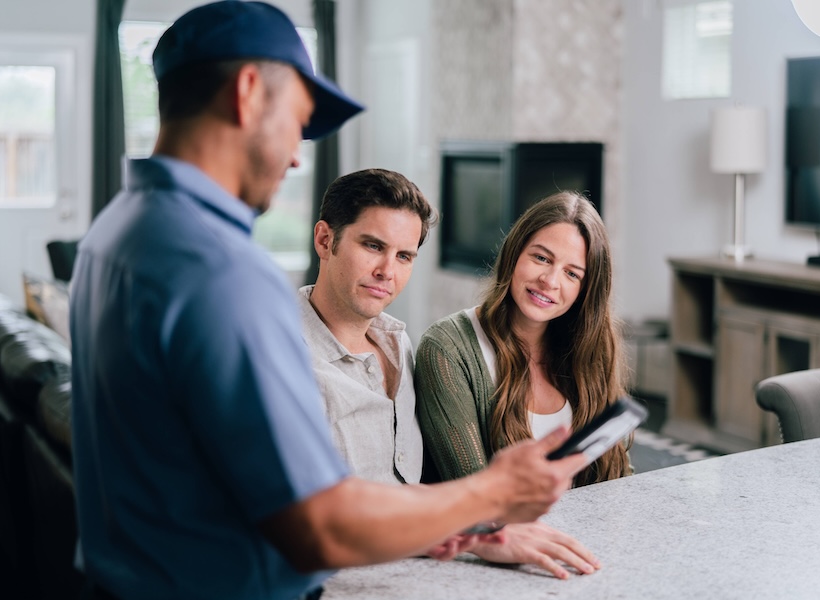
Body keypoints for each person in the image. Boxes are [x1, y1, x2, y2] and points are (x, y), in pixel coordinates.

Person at [68, 3, 589, 599]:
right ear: (246, 92)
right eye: (296, 123)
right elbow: (318, 522)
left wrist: (459, 523)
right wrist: (493, 494)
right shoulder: (219, 269)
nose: (295, 156)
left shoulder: (116, 232)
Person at [299, 169, 602, 579]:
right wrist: (477, 529)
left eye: (404, 256)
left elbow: (403, 489)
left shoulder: (398, 346)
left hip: (416, 566)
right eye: (373, 246)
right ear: (324, 240)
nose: (387, 271)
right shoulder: (284, 360)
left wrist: (470, 531)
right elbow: (312, 520)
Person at [415, 191, 632, 490]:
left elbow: (618, 476)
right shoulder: (447, 348)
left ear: (586, 291)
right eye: (541, 258)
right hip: (501, 536)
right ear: (514, 253)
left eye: (572, 273)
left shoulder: (590, 350)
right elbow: (475, 497)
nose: (550, 281)